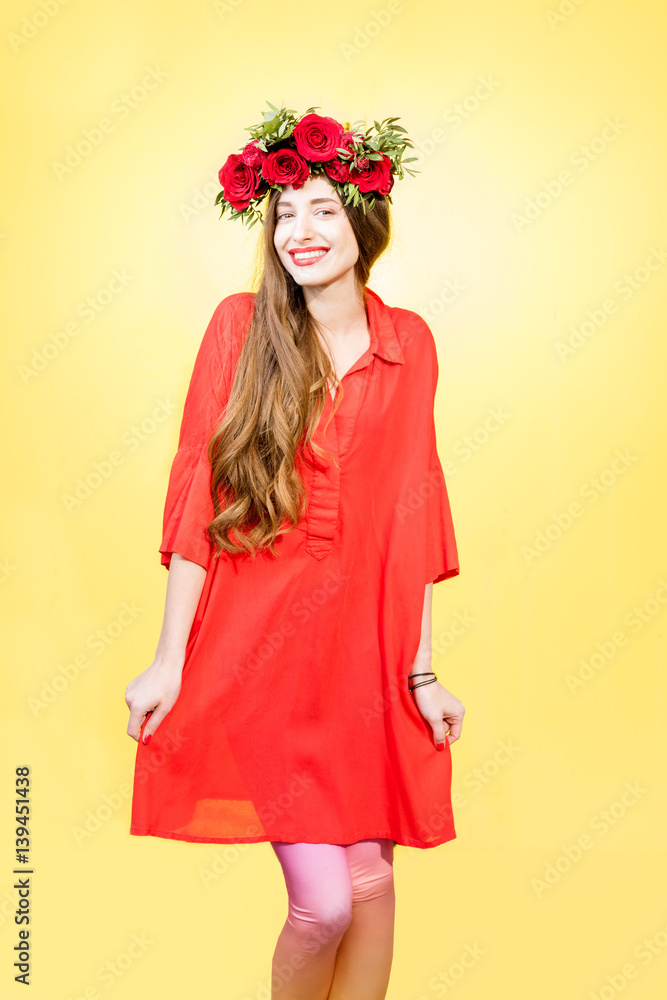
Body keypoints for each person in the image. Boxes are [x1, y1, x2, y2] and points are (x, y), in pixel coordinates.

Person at [125, 105, 465, 1000]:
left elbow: (415, 510)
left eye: (320, 209)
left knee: (372, 883)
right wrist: (168, 662)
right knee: (322, 906)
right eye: (283, 214)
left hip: (365, 662)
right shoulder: (240, 328)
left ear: (363, 220)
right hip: (257, 653)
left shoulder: (411, 345)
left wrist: (422, 674)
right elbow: (200, 496)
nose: (298, 233)